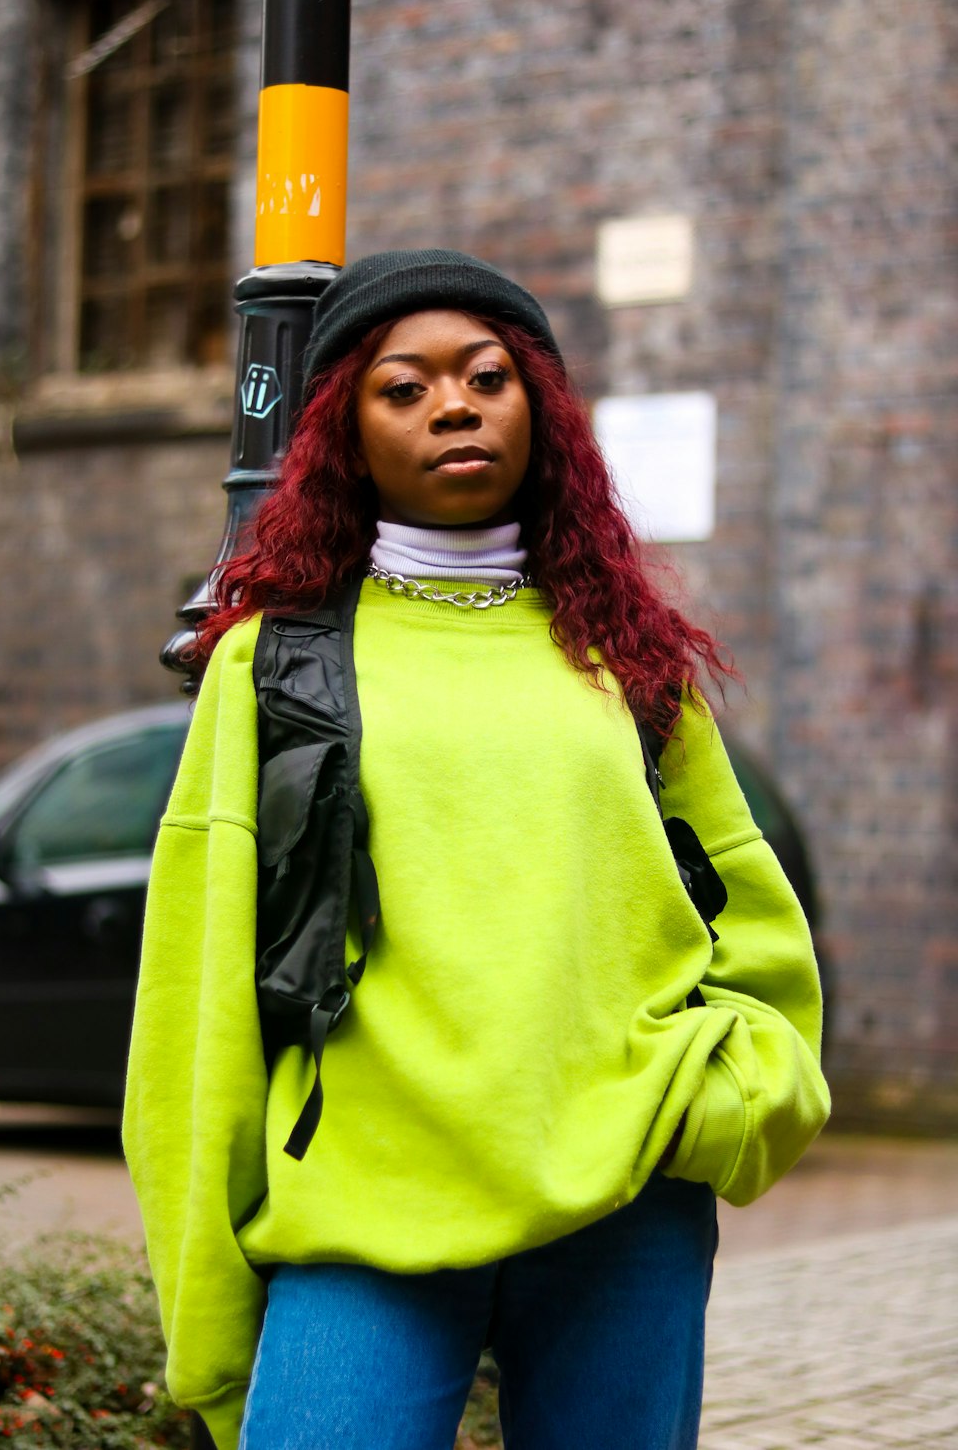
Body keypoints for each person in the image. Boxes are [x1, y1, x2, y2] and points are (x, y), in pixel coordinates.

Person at [123, 249, 830, 1450]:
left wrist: (732, 1102)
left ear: (537, 410)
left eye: (485, 376)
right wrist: (208, 1312)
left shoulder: (626, 654)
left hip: (624, 1202)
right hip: (364, 1204)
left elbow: (744, 911)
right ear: (344, 430)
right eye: (404, 387)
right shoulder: (275, 661)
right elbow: (197, 999)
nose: (452, 404)